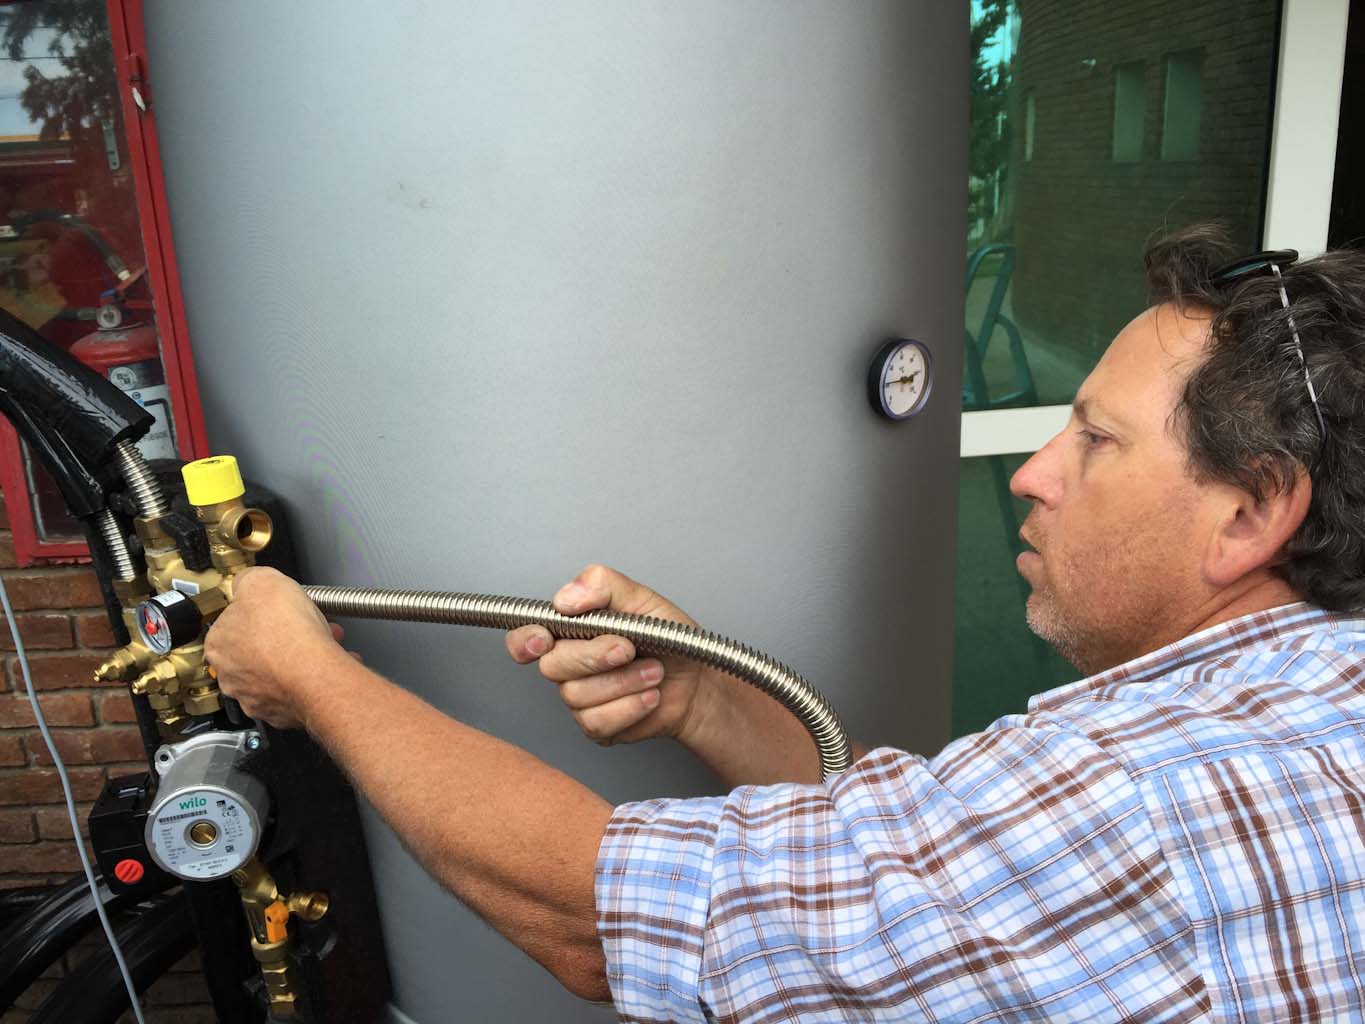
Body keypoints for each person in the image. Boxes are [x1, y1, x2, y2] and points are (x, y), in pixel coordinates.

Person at [204, 226, 1365, 1021]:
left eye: (1096, 441)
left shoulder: (1141, 795)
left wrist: (308, 673)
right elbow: (919, 882)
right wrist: (703, 696)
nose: (1032, 473)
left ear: (1252, 511)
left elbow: (600, 921)